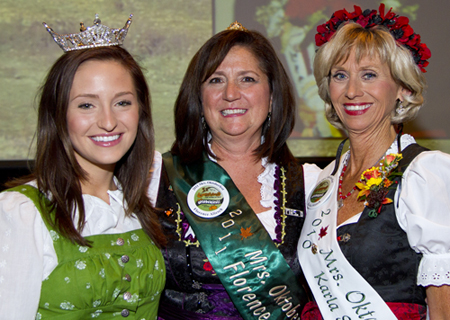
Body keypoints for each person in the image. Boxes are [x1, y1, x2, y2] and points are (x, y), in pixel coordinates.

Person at [0, 15, 166, 319]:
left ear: (141, 111)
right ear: (58, 114)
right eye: (86, 105)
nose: (107, 121)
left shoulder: (141, 198)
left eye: (123, 102)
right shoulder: (21, 213)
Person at [153, 21, 321, 319]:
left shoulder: (311, 184)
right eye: (216, 80)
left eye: (247, 79)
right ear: (199, 97)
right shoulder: (154, 177)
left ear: (272, 96)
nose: (231, 94)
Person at [298, 4, 450, 320]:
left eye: (369, 75)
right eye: (340, 75)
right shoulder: (319, 182)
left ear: (403, 88)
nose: (352, 91)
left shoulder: (424, 174)